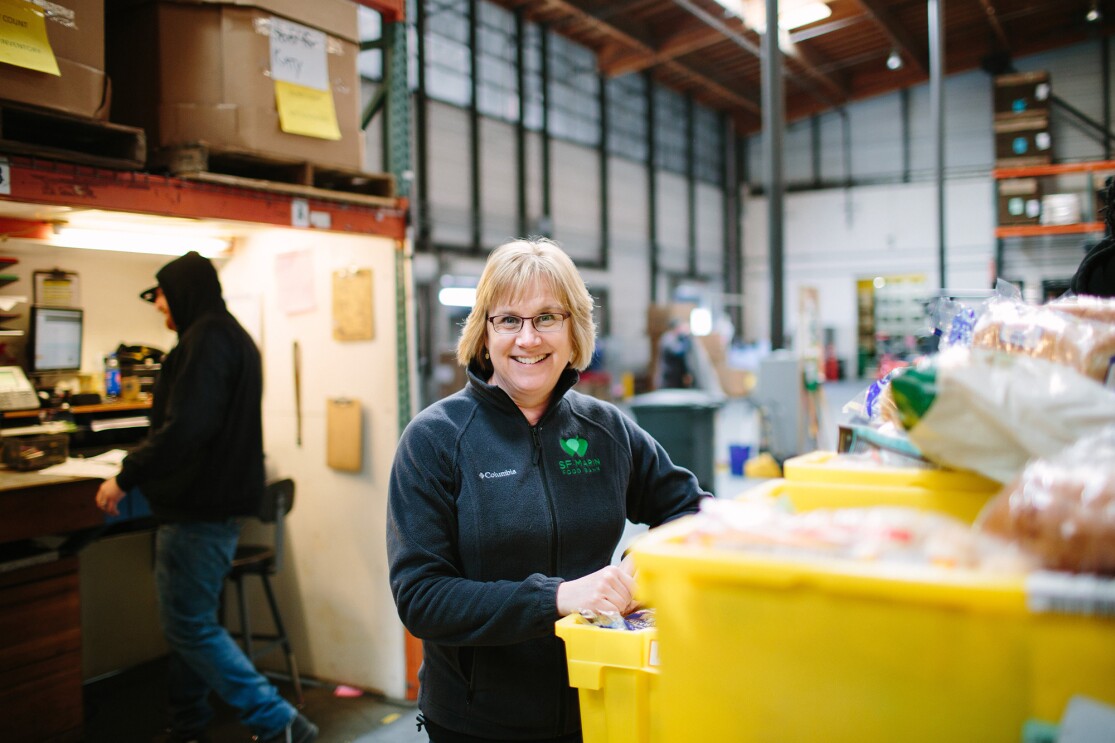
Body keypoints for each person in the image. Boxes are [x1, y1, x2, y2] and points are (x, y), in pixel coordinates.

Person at [387, 237, 709, 742]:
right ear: (484, 332)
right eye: (508, 319)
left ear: (573, 329)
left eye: (546, 318)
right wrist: (557, 597)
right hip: (480, 722)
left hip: (601, 702)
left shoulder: (605, 428)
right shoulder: (436, 439)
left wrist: (645, 558)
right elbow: (421, 598)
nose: (528, 339)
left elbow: (692, 506)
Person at [94, 251, 317, 743]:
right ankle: (189, 721)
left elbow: (187, 427)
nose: (160, 310)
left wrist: (126, 475)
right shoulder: (229, 335)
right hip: (215, 507)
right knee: (192, 624)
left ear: (182, 293)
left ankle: (277, 721)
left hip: (199, 510)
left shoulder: (206, 339)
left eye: (162, 300)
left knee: (189, 627)